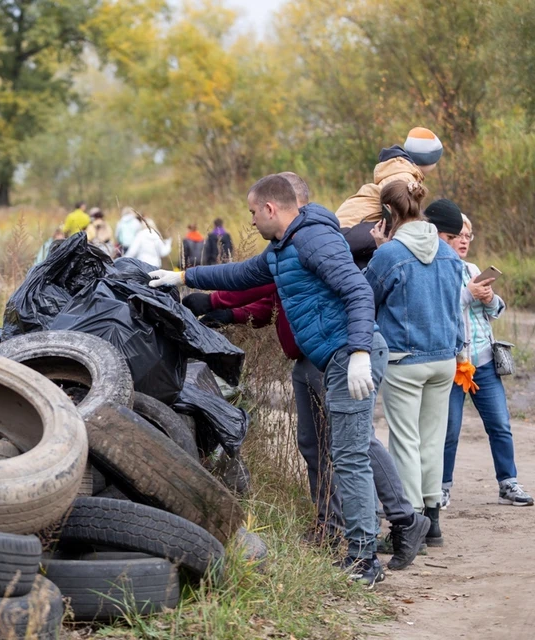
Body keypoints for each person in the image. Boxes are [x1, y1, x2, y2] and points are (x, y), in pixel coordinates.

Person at [150, 174, 389, 586]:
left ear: (270, 209)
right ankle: (359, 551)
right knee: (341, 454)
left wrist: (361, 353)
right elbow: (239, 275)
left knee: (349, 456)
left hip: (350, 355)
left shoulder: (314, 240)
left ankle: (365, 560)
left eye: (252, 212)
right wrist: (183, 277)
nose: (251, 221)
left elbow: (358, 292)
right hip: (335, 356)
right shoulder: (282, 248)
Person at [364, 182, 463, 548]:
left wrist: (380, 251)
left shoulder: (389, 254)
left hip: (404, 359)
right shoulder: (450, 254)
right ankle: (433, 523)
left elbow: (365, 298)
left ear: (389, 215)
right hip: (444, 358)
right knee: (432, 441)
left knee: (405, 441)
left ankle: (409, 528)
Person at [425, 201, 534, 509]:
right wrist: (468, 294)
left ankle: (507, 483)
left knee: (500, 423)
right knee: (449, 429)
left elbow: (497, 311)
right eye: (458, 234)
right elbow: (437, 312)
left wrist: (489, 297)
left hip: (484, 360)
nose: (464, 240)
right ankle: (442, 487)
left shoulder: (473, 269)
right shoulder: (434, 269)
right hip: (454, 363)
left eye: (469, 235)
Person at [338, 128, 444, 268]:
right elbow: (401, 217)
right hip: (346, 231)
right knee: (402, 233)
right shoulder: (403, 177)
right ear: (430, 160)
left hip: (350, 228)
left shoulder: (400, 170)